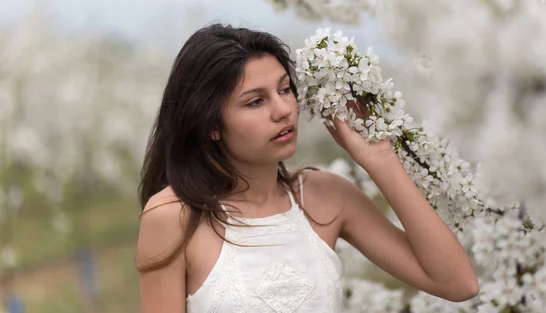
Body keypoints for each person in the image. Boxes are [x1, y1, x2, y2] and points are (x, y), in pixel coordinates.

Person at [136, 23, 479, 312]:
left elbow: (458, 283)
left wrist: (381, 160)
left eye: (285, 89)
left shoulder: (325, 197)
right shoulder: (173, 217)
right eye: (255, 101)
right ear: (211, 124)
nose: (283, 109)